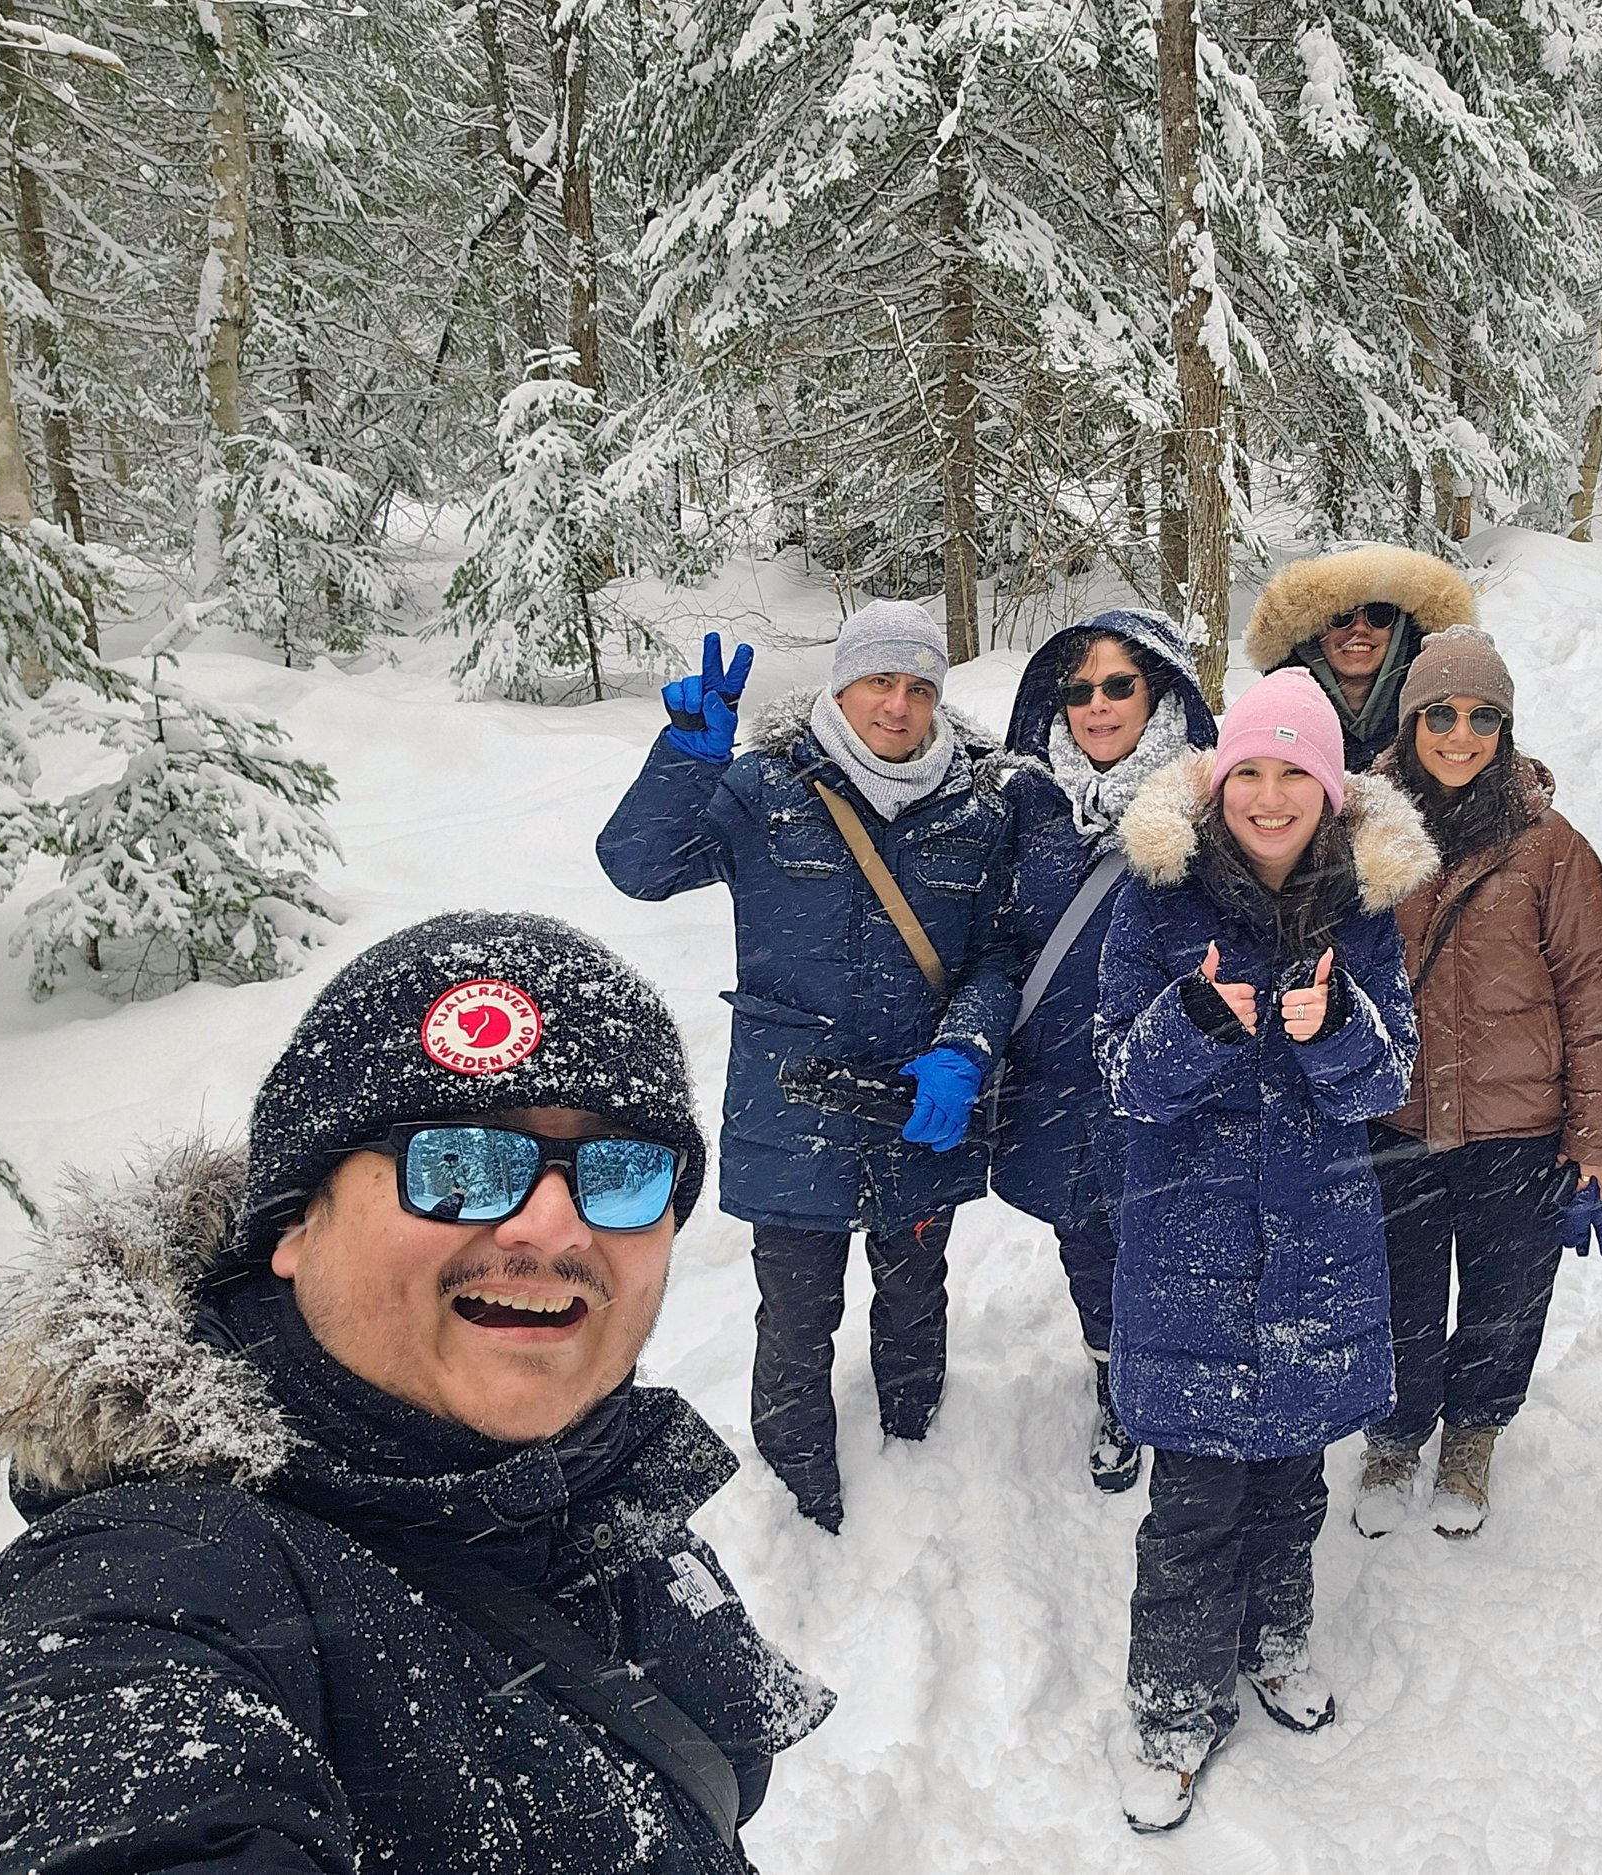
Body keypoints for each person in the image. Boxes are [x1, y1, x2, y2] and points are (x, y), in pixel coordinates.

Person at [0, 913, 833, 1875]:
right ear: (296, 1222)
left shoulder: (594, 1483)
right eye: (463, 1164)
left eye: (626, 1170)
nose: (558, 1226)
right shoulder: (154, 1590)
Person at [597, 602, 1021, 1532]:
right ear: (840, 685)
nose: (898, 706)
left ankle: (916, 1432)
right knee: (795, 1312)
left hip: (921, 1102)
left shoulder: (980, 805)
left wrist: (966, 1049)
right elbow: (639, 865)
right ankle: (797, 1483)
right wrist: (686, 759)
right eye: (880, 681)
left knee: (914, 1288)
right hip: (793, 1109)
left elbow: (1000, 955)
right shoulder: (762, 790)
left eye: (919, 687)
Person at [1094, 669, 1431, 1832]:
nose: (1272, 795)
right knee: (1192, 1507)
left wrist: (1336, 1032)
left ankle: (1275, 1643)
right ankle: (1176, 1707)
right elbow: (1118, 1081)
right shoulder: (1156, 899)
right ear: (1221, 779)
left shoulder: (1369, 911)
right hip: (1187, 1250)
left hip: (1317, 1254)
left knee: (1291, 1485)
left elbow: (1391, 1082)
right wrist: (1191, 1026)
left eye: (1297, 773)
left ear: (1332, 793)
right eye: (1252, 771)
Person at [1356, 625, 1602, 1540]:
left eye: (1482, 717)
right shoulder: (1363, 831)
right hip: (1394, 1118)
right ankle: (1395, 1433)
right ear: (1412, 720)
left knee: (1506, 1296)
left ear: (1506, 729)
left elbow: (1592, 998)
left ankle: (1473, 1432)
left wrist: (1595, 1139)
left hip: (1517, 1125)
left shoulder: (1555, 850)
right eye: (1441, 713)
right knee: (1397, 1290)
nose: (1460, 734)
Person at [993, 608, 1217, 1492]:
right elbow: (998, 939)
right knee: (1088, 1247)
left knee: (1176, 1245)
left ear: (1157, 690)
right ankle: (1115, 1383)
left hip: (1171, 1082)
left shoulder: (1211, 798)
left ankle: (1181, 1388)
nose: (1096, 705)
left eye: (1118, 684)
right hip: (1058, 1087)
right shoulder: (1025, 803)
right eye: (1078, 690)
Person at [1244, 542, 1480, 771]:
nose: (1359, 628)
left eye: (1380, 614)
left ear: (1401, 629)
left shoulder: (1445, 720)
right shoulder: (1272, 721)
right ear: (1313, 630)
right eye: (1341, 615)